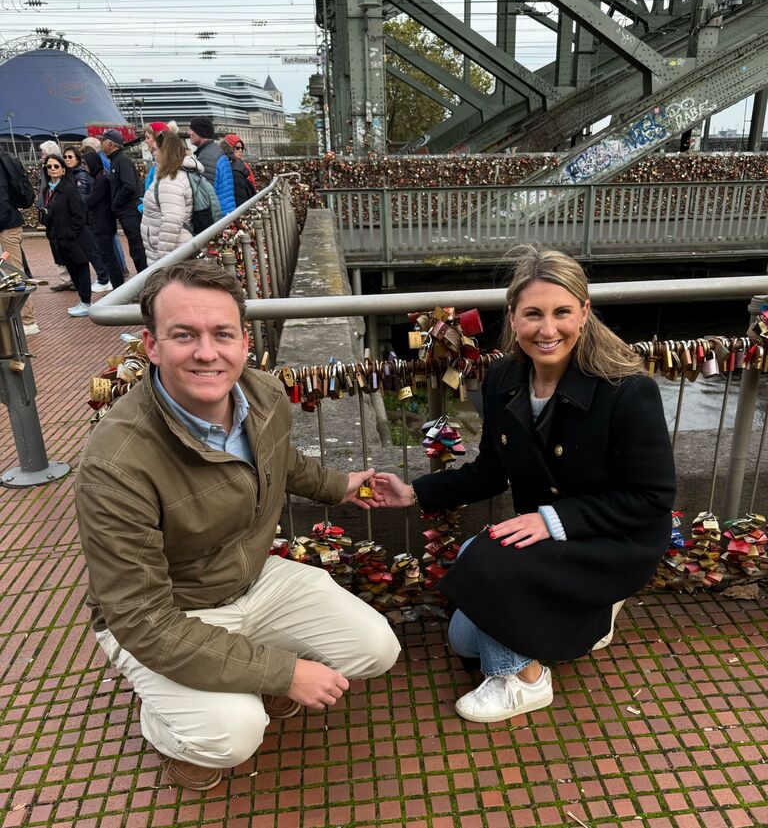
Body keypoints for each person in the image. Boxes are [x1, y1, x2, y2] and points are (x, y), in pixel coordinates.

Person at [74, 260, 400, 791]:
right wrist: (285, 673)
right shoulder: (115, 464)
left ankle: (242, 674)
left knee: (376, 647)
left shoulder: (264, 394)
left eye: (221, 334)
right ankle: (170, 729)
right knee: (233, 734)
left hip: (252, 579)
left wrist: (341, 485)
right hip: (170, 612)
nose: (207, 352)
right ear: (151, 346)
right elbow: (139, 618)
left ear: (243, 341)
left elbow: (281, 461)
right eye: (184, 335)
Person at [373, 246, 676, 724]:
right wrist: (416, 492)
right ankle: (590, 611)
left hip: (617, 538)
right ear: (512, 317)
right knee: (462, 638)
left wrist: (552, 520)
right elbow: (492, 471)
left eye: (562, 312)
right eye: (533, 313)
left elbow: (653, 498)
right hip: (550, 535)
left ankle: (524, 679)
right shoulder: (503, 378)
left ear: (584, 313)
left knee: (490, 560)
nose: (547, 329)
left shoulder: (627, 389)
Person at [39, 154, 94, 317]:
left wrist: (70, 233)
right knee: (72, 269)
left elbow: (79, 214)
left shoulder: (69, 189)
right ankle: (82, 301)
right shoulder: (48, 190)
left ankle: (86, 301)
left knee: (81, 269)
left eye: (56, 166)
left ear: (63, 170)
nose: (53, 169)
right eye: (49, 167)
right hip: (59, 238)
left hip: (74, 239)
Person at [140, 131, 204, 265]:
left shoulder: (170, 180)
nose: (153, 153)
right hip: (177, 247)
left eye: (155, 149)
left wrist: (162, 263)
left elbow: (171, 222)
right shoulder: (178, 173)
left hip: (172, 251)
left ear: (166, 151)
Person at [0, 147, 38, 335]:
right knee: (13, 270)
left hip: (5, 225)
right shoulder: (8, 157)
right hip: (10, 223)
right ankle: (18, 319)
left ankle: (26, 320)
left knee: (13, 272)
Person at [64, 145, 112, 292]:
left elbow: (84, 199)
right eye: (65, 157)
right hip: (82, 219)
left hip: (85, 219)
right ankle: (103, 278)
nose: (67, 160)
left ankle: (104, 278)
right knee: (89, 250)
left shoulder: (81, 175)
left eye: (70, 157)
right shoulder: (72, 174)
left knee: (93, 250)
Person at [100, 129, 147, 274]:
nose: (101, 143)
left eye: (103, 140)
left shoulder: (121, 160)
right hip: (126, 212)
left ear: (111, 144)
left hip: (130, 213)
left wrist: (116, 204)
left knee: (138, 249)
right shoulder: (116, 160)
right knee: (136, 249)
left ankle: (145, 281)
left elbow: (129, 185)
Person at [82, 136, 129, 278]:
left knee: (109, 259)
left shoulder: (101, 180)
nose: (84, 167)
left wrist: (80, 197)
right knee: (108, 258)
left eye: (86, 164)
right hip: (102, 223)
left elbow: (90, 201)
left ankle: (117, 285)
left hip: (103, 224)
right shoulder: (98, 179)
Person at [188, 116, 235, 216]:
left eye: (191, 129)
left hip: (218, 217)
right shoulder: (215, 151)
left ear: (200, 132)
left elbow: (206, 196)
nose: (189, 133)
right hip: (227, 212)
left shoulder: (206, 157)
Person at [221, 134, 256, 207]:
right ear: (230, 149)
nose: (240, 150)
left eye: (241, 148)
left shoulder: (242, 165)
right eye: (237, 148)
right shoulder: (234, 169)